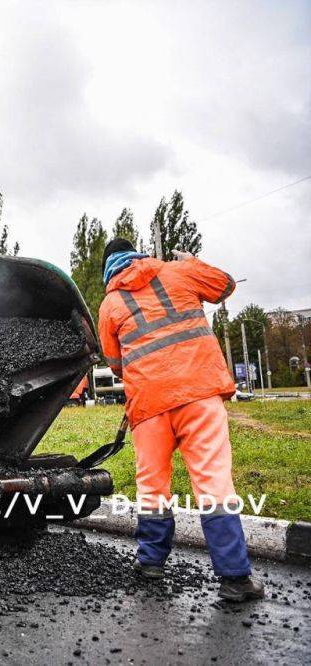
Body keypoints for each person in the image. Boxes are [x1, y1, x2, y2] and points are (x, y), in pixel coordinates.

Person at [97, 239, 263, 602]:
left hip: (149, 405)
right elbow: (225, 286)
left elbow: (115, 364)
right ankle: (235, 579)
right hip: (199, 394)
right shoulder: (180, 272)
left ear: (109, 268)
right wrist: (194, 261)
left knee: (152, 484)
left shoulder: (110, 304)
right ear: (138, 256)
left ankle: (150, 562)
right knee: (213, 482)